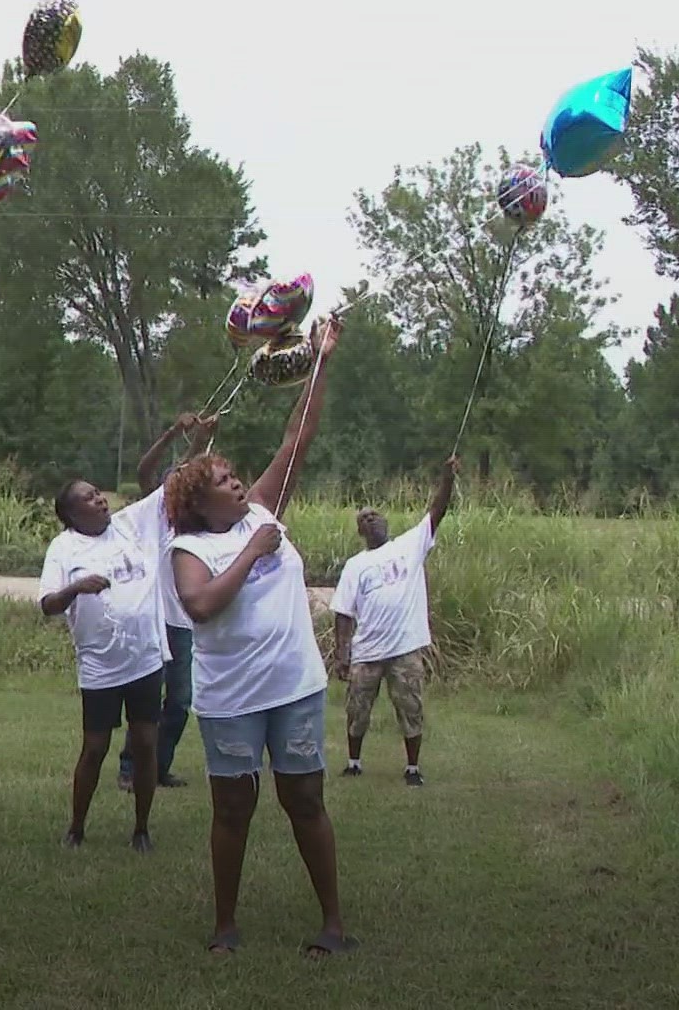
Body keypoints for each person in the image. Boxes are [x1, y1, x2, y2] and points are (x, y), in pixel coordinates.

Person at [165, 316, 358, 959]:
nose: (238, 482)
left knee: (305, 799)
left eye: (234, 475)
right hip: (232, 699)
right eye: (223, 481)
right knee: (232, 810)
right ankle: (224, 925)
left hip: (295, 687)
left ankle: (332, 923)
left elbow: (296, 440)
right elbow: (201, 606)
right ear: (201, 502)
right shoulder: (191, 545)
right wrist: (251, 550)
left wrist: (323, 361)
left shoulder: (264, 509)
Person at [39, 478, 167, 852]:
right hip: (100, 666)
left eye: (98, 494)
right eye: (88, 499)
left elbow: (169, 484)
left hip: (144, 658)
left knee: (145, 744)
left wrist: (186, 437)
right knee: (95, 748)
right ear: (71, 515)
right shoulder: (63, 548)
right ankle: (76, 827)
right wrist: (75, 588)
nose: (99, 500)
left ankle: (141, 829)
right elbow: (48, 604)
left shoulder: (130, 525)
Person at [333, 456, 459, 785]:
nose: (371, 519)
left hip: (404, 647)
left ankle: (413, 768)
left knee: (410, 707)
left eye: (375, 515)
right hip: (367, 650)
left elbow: (438, 509)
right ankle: (354, 761)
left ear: (385, 523)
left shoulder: (409, 545)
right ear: (360, 531)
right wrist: (341, 653)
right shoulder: (355, 565)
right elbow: (343, 613)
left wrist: (447, 477)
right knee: (357, 709)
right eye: (365, 519)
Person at [116, 411, 219, 792]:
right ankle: (131, 769)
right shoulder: (156, 514)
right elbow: (147, 469)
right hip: (154, 618)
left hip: (182, 624)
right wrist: (181, 433)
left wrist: (201, 441)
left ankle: (158, 767)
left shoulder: (195, 520)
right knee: (147, 698)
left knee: (179, 701)